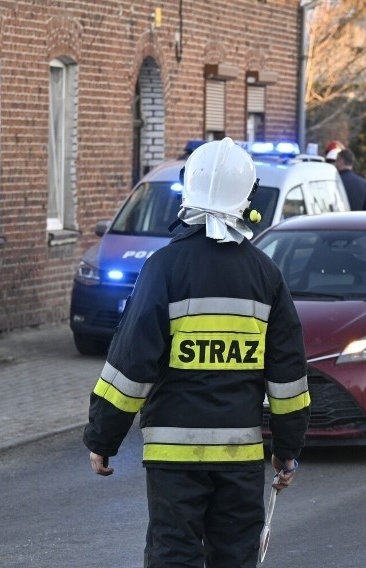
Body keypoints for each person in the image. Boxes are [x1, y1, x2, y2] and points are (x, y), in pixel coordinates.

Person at [84, 137, 311, 568]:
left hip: (174, 459)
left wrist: (103, 438)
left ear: (189, 189)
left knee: (173, 556)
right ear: (247, 197)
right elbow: (288, 378)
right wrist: (288, 448)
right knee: (234, 558)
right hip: (240, 458)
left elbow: (131, 366)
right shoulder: (265, 273)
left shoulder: (164, 268)